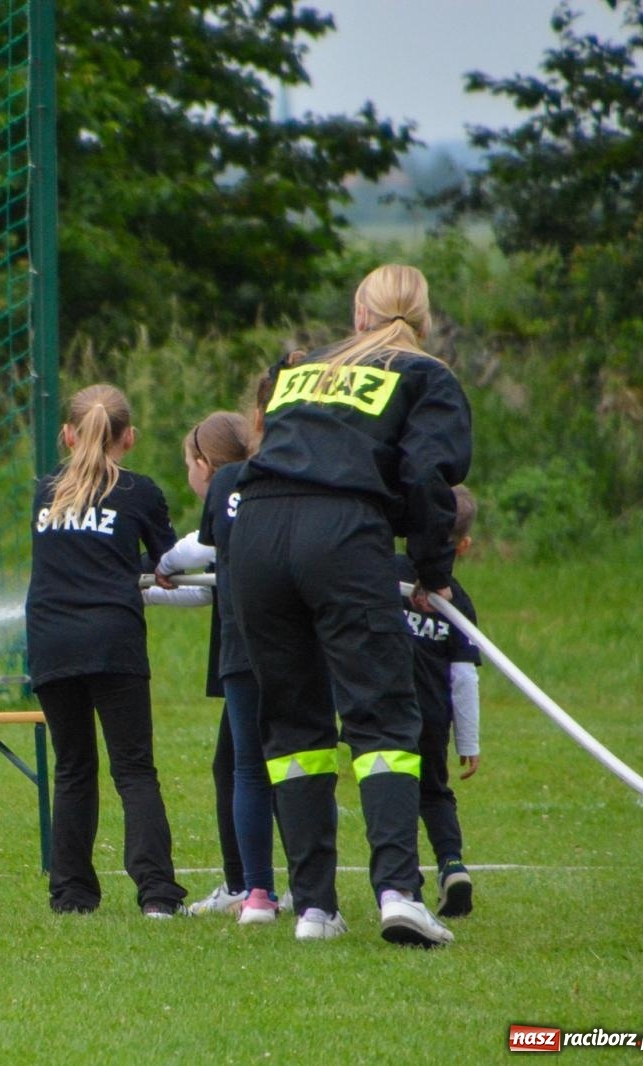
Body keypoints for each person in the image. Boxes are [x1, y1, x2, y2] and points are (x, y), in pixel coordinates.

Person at [225, 263, 473, 948]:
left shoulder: (305, 369)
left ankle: (313, 911)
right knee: (383, 713)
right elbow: (429, 478)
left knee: (293, 725)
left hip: (258, 534)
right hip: (341, 533)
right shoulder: (426, 376)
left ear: (359, 313)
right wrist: (431, 571)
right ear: (421, 320)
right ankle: (398, 892)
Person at [25, 382, 188, 917]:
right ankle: (158, 897)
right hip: (112, 640)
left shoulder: (45, 491)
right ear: (130, 438)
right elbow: (171, 564)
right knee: (134, 770)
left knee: (72, 768)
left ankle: (71, 895)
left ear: (68, 436)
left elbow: (87, 560)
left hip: (50, 642)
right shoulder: (139, 492)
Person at [147, 408, 283, 924]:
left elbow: (196, 552)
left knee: (249, 767)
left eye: (188, 463)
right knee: (235, 765)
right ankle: (246, 882)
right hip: (257, 654)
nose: (189, 474)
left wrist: (159, 565)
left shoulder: (231, 500)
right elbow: (209, 590)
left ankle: (258, 887)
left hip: (250, 656)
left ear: (205, 465)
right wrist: (147, 594)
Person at [397, 483, 482, 918]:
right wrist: (468, 742)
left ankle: (402, 880)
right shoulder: (460, 602)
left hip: (387, 709)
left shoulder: (385, 570)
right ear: (463, 545)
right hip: (433, 716)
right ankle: (452, 865)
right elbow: (463, 677)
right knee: (434, 792)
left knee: (394, 790)